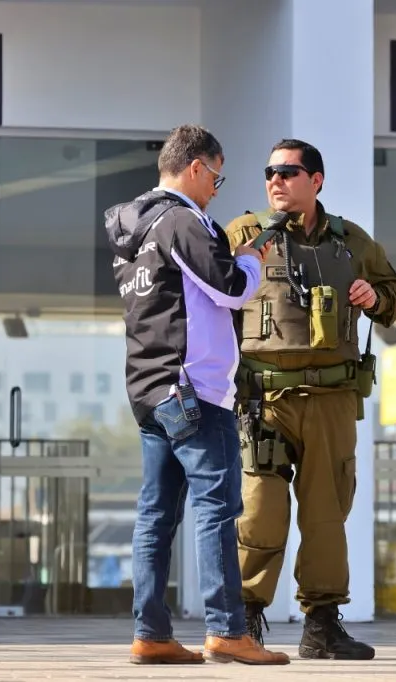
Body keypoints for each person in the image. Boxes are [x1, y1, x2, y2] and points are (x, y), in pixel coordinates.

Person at [104, 124, 288, 666]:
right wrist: (253, 257)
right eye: (217, 176)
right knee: (217, 507)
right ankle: (228, 629)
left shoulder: (134, 229)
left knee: (157, 513)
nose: (217, 188)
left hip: (149, 386)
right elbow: (231, 288)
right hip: (193, 389)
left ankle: (151, 633)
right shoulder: (181, 219)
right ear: (195, 168)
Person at [223, 138, 396, 660]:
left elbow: (394, 297)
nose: (275, 180)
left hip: (331, 400)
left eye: (288, 171)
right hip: (264, 400)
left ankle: (322, 625)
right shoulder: (244, 234)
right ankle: (243, 621)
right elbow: (211, 296)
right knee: (259, 511)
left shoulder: (353, 242)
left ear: (316, 180)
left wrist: (375, 297)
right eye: (269, 172)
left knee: (326, 515)